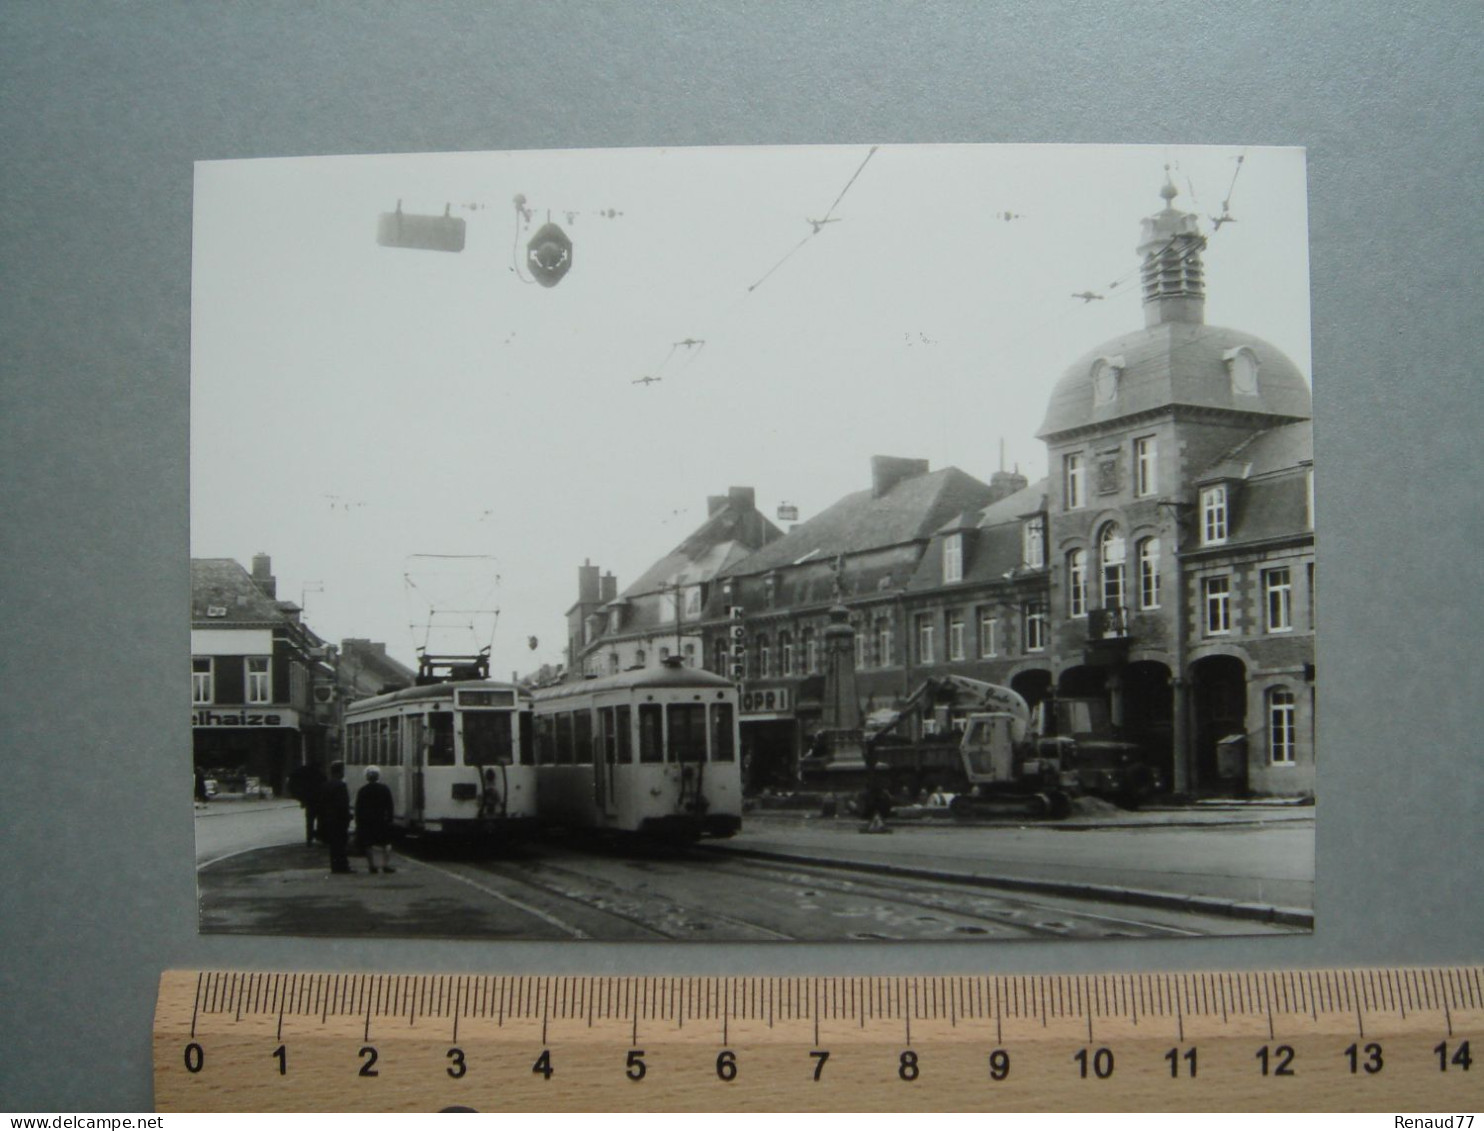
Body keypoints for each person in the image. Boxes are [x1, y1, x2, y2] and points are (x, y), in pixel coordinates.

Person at [355, 765, 396, 874]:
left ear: (367, 777)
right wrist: (390, 819)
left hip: (368, 821)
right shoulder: (384, 789)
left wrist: (359, 822)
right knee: (385, 844)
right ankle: (385, 865)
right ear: (378, 776)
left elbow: (358, 808)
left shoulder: (363, 790)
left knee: (369, 844)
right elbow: (390, 805)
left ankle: (372, 866)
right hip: (382, 820)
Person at [321, 760, 353, 874]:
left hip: (329, 818)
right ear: (340, 772)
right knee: (341, 843)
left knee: (333, 845)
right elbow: (343, 804)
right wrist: (348, 817)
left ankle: (335, 866)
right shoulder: (341, 785)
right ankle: (343, 866)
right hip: (339, 819)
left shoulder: (326, 785)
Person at [288, 758, 326, 845]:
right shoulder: (320, 775)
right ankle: (319, 836)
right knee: (320, 819)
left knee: (310, 821)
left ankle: (309, 839)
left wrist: (301, 798)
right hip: (318, 800)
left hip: (309, 800)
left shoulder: (304, 772)